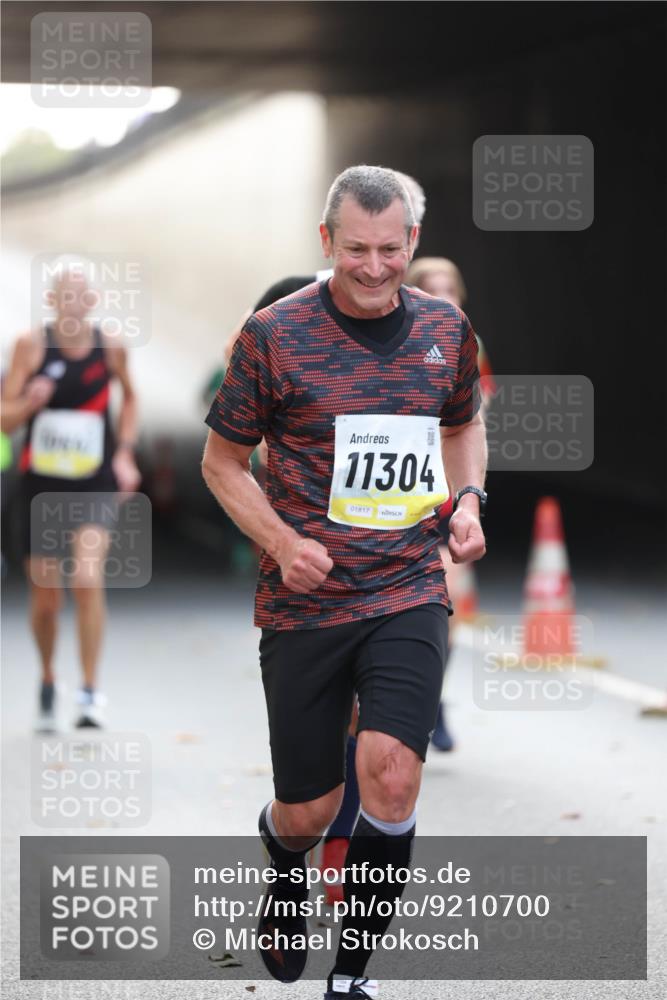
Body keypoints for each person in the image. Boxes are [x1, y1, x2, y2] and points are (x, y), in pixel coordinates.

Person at [203, 165, 487, 999]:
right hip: (305, 602)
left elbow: (464, 426)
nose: (373, 267)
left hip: (406, 587)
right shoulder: (274, 335)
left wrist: (467, 499)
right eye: (355, 249)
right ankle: (283, 859)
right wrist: (282, 542)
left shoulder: (446, 329)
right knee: (310, 812)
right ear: (325, 242)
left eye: (389, 249)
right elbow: (222, 463)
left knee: (392, 773)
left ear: (413, 244)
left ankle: (351, 976)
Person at [1, 264, 141, 730]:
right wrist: (29, 402)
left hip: (93, 481)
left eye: (83, 295)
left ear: (93, 301)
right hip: (39, 488)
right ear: (53, 302)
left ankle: (88, 691)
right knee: (46, 599)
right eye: (66, 295)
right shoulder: (31, 346)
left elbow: (131, 398)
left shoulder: (111, 348)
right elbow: (5, 420)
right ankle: (47, 675)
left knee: (86, 577)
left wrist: (123, 453)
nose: (75, 303)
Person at [406, 257, 496, 751]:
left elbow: (479, 412)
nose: (443, 297)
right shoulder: (395, 338)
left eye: (450, 289)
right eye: (430, 288)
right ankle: (403, 704)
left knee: (451, 604)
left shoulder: (469, 344)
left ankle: (432, 700)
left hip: (448, 491)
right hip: (406, 490)